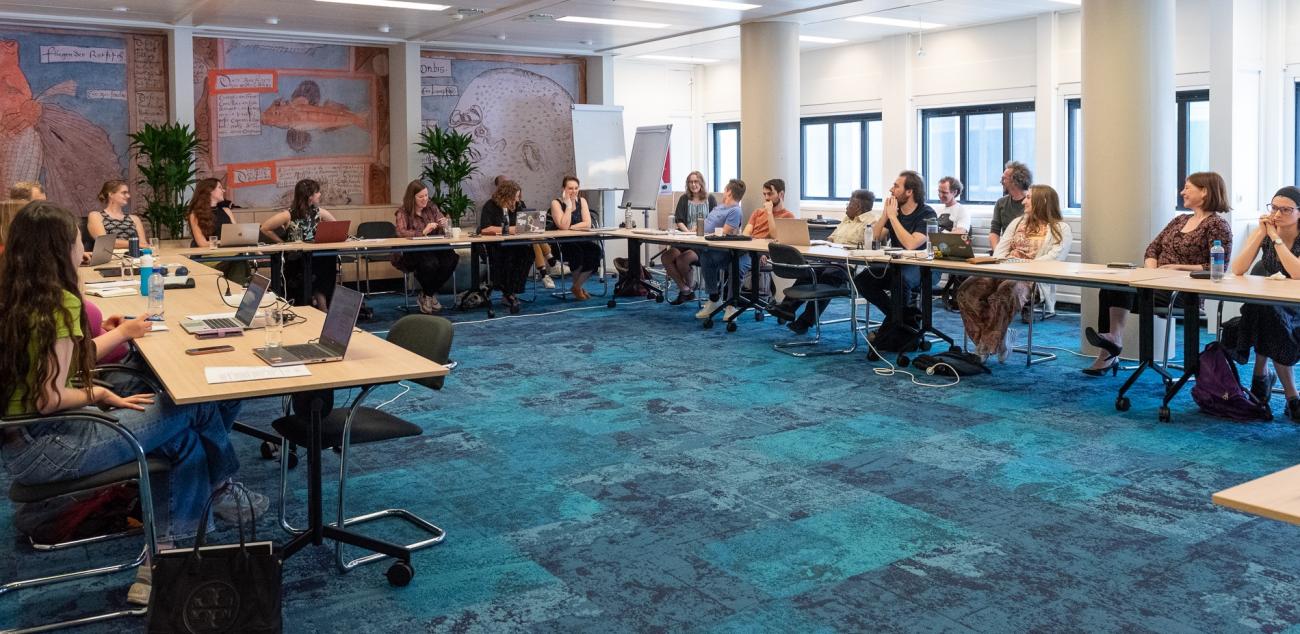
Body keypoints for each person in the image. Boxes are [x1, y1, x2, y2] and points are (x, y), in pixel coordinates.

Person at [0, 201, 253, 606]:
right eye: (76, 241)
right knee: (196, 403)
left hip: (21, 444)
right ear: (58, 250)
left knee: (182, 442)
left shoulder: (19, 299)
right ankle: (221, 487)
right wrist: (100, 393)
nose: (82, 250)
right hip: (53, 445)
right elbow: (48, 398)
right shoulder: (59, 304)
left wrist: (116, 336)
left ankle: (165, 561)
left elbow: (54, 371)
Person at [1083, 172, 1233, 375]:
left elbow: (1218, 267)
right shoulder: (1180, 220)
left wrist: (1178, 268)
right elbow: (1153, 248)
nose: (1182, 192)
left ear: (1204, 191)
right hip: (1157, 283)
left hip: (1184, 292)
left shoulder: (1217, 225)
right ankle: (1109, 349)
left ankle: (1112, 345)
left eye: (1188, 187)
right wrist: (1151, 274)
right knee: (1111, 286)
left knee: (1124, 289)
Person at [957, 184, 1073, 363]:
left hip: (1030, 278)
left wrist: (1021, 266)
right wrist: (1003, 265)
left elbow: (1054, 259)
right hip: (1004, 269)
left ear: (1041, 201)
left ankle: (984, 349)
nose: (1024, 201)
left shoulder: (1060, 228)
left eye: (1029, 198)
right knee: (966, 290)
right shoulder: (1018, 222)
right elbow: (1001, 250)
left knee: (1006, 292)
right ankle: (999, 339)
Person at [1229, 186, 1300, 420]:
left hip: (1296, 307)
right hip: (1270, 306)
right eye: (1274, 208)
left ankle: (1261, 375)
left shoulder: (1282, 238)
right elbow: (1238, 269)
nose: (1277, 214)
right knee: (1262, 307)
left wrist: (1275, 238)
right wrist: (1260, 233)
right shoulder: (1265, 233)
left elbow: (1296, 273)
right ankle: (1292, 397)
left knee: (1261, 309)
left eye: (1286, 210)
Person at [772, 189, 875, 334]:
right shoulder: (846, 219)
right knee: (808, 271)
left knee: (828, 276)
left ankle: (806, 321)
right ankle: (786, 308)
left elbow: (868, 246)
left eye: (849, 203)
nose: (846, 206)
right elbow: (832, 238)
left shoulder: (870, 222)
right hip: (830, 258)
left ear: (858, 206)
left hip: (849, 266)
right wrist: (821, 243)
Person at [853, 171, 937, 329]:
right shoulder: (893, 213)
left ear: (909, 192)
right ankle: (899, 318)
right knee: (863, 279)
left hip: (922, 266)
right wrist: (885, 215)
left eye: (896, 186)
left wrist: (892, 217)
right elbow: (872, 241)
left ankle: (898, 323)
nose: (891, 190)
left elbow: (911, 244)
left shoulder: (927, 213)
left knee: (901, 281)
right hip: (897, 264)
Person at [260, 179, 340, 310]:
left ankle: (322, 304)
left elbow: (336, 226)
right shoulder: (288, 215)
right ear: (310, 197)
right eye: (317, 192)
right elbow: (265, 228)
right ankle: (320, 305)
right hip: (296, 258)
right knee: (317, 265)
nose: (320, 194)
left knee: (328, 258)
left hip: (316, 256)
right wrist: (282, 243)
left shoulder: (319, 212)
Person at [391, 179, 459, 314]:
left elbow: (440, 223)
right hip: (413, 250)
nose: (425, 199)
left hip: (434, 246)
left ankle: (427, 294)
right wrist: (422, 232)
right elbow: (400, 233)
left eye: (426, 195)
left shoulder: (432, 207)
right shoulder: (403, 212)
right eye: (421, 197)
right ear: (412, 198)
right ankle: (429, 295)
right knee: (430, 263)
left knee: (452, 258)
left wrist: (444, 224)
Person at [495, 174, 559, 288]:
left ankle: (546, 273)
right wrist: (511, 229)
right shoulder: (494, 206)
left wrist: (531, 224)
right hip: (505, 242)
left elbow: (526, 221)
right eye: (516, 196)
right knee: (533, 238)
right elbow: (487, 228)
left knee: (533, 237)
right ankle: (551, 263)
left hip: (522, 237)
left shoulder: (519, 203)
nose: (518, 199)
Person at [695, 179, 746, 320]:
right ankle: (714, 298)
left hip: (724, 251)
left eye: (725, 190)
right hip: (708, 246)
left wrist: (705, 234)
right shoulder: (719, 207)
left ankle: (730, 305)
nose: (724, 192)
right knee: (705, 255)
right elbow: (705, 224)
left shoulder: (735, 210)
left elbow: (726, 233)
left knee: (709, 257)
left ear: (729, 191)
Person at [663, 171, 715, 305]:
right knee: (667, 257)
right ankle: (685, 289)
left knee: (682, 260)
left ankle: (690, 287)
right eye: (691, 182)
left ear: (701, 183)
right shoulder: (684, 199)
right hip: (685, 238)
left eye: (696, 181)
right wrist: (688, 233)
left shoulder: (711, 199)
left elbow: (714, 220)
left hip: (702, 243)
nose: (693, 184)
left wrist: (697, 231)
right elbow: (679, 220)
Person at [479, 179, 532, 313]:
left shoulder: (518, 205)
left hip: (515, 243)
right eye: (514, 198)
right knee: (509, 256)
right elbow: (484, 229)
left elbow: (523, 224)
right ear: (504, 196)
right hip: (496, 245)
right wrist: (507, 230)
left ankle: (513, 290)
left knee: (529, 253)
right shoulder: (490, 206)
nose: (516, 201)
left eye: (518, 197)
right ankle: (508, 293)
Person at [548, 176, 603, 300]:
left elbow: (587, 223)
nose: (573, 191)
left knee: (595, 251)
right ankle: (577, 288)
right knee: (576, 252)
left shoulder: (582, 201)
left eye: (576, 188)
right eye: (570, 188)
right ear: (563, 189)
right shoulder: (556, 203)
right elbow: (562, 226)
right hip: (561, 243)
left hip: (580, 239)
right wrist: (568, 206)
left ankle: (577, 286)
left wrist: (572, 227)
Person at [186, 178, 250, 284]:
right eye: (220, 187)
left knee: (239, 258)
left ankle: (236, 290)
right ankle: (238, 291)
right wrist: (223, 242)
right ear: (209, 191)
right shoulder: (195, 214)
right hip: (206, 256)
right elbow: (202, 244)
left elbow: (238, 235)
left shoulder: (227, 211)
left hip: (228, 254)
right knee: (239, 259)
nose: (223, 190)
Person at [88, 180, 150, 250]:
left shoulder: (134, 218)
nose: (128, 196)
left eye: (128, 193)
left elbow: (144, 244)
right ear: (111, 194)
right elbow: (104, 243)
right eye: (124, 193)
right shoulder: (96, 216)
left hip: (134, 258)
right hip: (111, 259)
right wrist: (136, 243)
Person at [988, 161, 1032, 251]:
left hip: (1026, 251)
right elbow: (994, 232)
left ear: (1015, 181)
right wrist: (997, 253)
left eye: (1004, 179)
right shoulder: (1001, 203)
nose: (1001, 182)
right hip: (1005, 251)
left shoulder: (1032, 202)